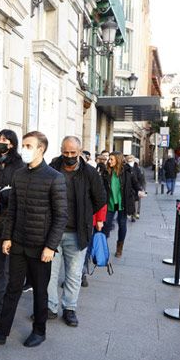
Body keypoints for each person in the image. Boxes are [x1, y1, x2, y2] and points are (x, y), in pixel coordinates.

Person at [0, 131, 67, 348]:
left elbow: (61, 216)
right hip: (19, 243)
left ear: (41, 149)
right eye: (23, 145)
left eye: (29, 145)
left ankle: (39, 331)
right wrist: (7, 237)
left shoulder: (54, 177)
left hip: (41, 247)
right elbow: (12, 210)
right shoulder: (19, 175)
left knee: (40, 291)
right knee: (13, 287)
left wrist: (51, 246)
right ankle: (1, 331)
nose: (24, 149)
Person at [47, 136, 106, 327]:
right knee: (50, 273)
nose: (69, 156)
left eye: (73, 153)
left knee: (73, 274)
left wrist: (86, 214)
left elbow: (100, 199)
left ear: (80, 152)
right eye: (66, 152)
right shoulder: (52, 167)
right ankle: (50, 307)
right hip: (52, 232)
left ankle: (70, 308)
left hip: (78, 233)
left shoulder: (89, 173)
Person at [0, 130, 25, 318]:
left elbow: (20, 192)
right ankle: (0, 300)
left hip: (12, 220)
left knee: (10, 267)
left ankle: (9, 303)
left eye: (5, 140)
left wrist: (2, 194)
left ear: (12, 144)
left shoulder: (19, 165)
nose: (0, 142)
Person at [101, 151, 141, 258]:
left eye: (112, 159)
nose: (109, 161)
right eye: (109, 159)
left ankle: (119, 247)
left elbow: (135, 183)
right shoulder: (106, 171)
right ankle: (102, 249)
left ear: (118, 160)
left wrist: (140, 190)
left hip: (122, 203)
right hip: (110, 203)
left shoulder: (127, 171)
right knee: (106, 226)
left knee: (122, 225)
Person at [126, 155, 146, 221]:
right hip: (128, 188)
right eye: (128, 158)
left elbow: (141, 178)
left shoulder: (137, 168)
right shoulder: (125, 167)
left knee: (136, 202)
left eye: (131, 158)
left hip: (136, 188)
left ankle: (134, 215)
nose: (130, 160)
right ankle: (130, 213)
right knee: (129, 202)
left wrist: (141, 188)